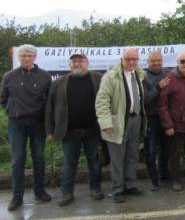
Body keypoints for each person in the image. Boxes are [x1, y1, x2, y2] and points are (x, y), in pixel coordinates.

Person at [46, 53, 104, 206]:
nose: (77, 63)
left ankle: (95, 189)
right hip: (69, 131)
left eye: (81, 61)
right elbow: (50, 108)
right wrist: (50, 131)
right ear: (69, 64)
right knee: (69, 163)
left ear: (87, 63)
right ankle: (67, 193)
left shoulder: (98, 78)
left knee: (94, 161)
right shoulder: (59, 82)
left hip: (92, 130)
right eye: (74, 61)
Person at [1, 44, 53, 211]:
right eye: (23, 55)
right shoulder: (9, 76)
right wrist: (11, 111)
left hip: (37, 123)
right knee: (17, 160)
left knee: (39, 158)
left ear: (35, 57)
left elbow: (49, 101)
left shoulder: (45, 76)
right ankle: (17, 197)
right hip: (16, 123)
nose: (26, 58)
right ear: (19, 57)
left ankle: (39, 191)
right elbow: (3, 99)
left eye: (30, 56)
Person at [95, 48, 146, 203]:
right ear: (121, 59)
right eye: (128, 59)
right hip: (118, 122)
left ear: (138, 59)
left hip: (135, 120)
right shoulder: (111, 77)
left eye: (134, 59)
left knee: (132, 155)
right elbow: (102, 101)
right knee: (117, 158)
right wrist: (106, 123)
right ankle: (117, 189)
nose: (131, 62)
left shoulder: (139, 74)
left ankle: (130, 185)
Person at [159, 51, 185, 191]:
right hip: (176, 125)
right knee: (175, 155)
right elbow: (162, 105)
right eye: (182, 61)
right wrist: (168, 124)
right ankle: (176, 180)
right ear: (177, 62)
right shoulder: (169, 78)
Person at [143, 51, 171, 190]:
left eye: (159, 60)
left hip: (164, 117)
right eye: (153, 61)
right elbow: (145, 99)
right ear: (148, 62)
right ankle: (154, 180)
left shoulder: (167, 73)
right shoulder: (143, 76)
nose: (156, 63)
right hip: (150, 118)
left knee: (166, 149)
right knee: (151, 151)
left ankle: (164, 174)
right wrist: (158, 87)